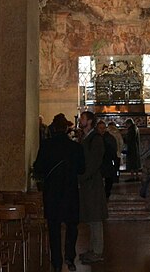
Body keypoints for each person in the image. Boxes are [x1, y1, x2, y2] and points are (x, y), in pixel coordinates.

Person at [32, 113, 85, 272]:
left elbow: (38, 169)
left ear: (53, 128)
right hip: (70, 192)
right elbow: (82, 169)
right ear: (67, 129)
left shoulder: (46, 146)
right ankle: (70, 258)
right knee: (71, 226)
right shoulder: (75, 147)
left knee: (54, 229)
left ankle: (56, 262)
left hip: (52, 193)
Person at [78, 111, 108, 264]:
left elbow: (95, 161)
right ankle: (92, 248)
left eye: (82, 118)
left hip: (92, 182)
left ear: (89, 121)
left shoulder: (95, 139)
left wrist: (82, 176)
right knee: (90, 217)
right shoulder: (85, 137)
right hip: (86, 182)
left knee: (95, 217)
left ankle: (97, 251)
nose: (80, 120)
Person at [97, 119, 120, 198]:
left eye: (103, 128)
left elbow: (114, 149)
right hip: (98, 163)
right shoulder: (95, 138)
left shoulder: (110, 138)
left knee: (108, 180)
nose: (102, 130)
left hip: (107, 162)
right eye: (100, 128)